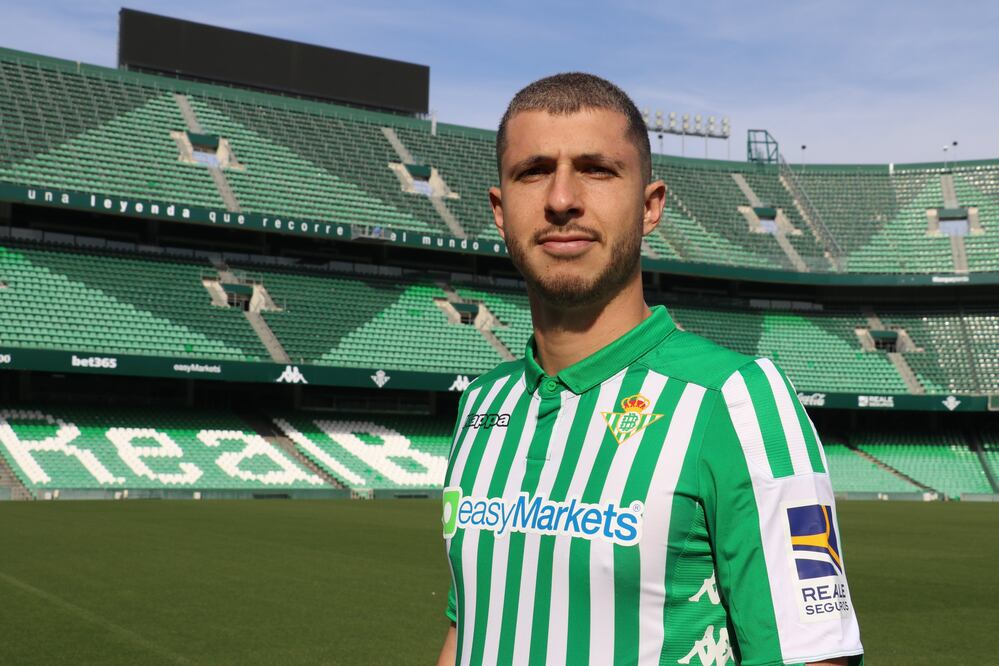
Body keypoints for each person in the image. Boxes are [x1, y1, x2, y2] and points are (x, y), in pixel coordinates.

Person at [437, 72, 863, 666]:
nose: (562, 199)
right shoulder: (481, 405)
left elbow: (816, 657)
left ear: (650, 206)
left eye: (597, 169)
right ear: (501, 210)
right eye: (533, 171)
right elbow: (471, 629)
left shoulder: (738, 400)